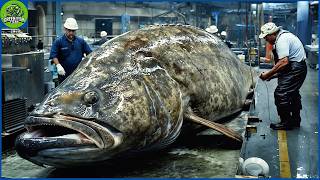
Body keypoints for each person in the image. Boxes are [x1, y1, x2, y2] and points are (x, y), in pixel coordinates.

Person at [258, 22, 307, 130]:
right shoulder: (283, 36)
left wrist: (267, 74)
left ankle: (286, 122)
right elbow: (286, 65)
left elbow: (284, 62)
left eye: (266, 37)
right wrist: (273, 76)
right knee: (293, 93)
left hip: (296, 69)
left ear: (272, 34)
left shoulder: (282, 40)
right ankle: (295, 120)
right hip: (296, 68)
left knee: (281, 93)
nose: (266, 40)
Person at [49, 17, 92, 83]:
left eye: (73, 31)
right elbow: (54, 55)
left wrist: (87, 64)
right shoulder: (59, 41)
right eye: (69, 30)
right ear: (65, 29)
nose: (71, 33)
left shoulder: (81, 41)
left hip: (78, 74)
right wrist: (58, 66)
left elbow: (90, 53)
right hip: (63, 74)